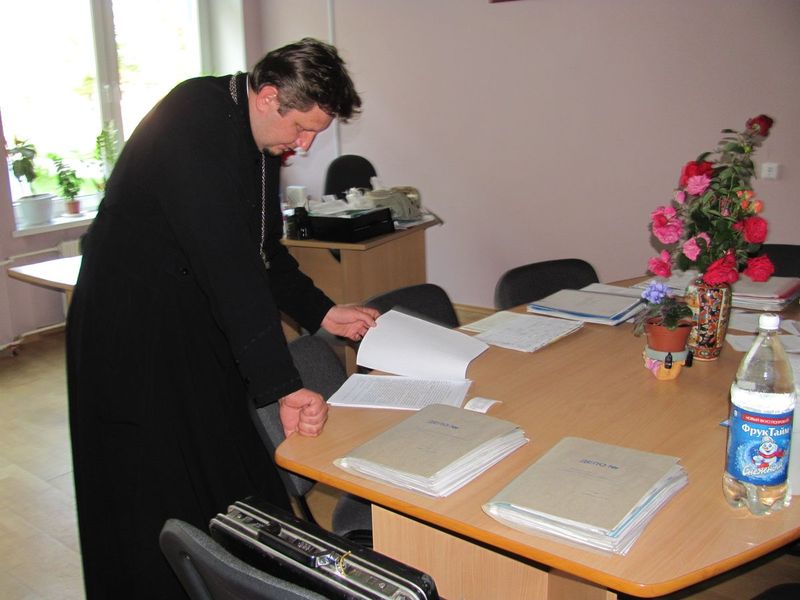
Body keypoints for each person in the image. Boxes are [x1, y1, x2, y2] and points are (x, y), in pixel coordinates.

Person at [66, 38, 379, 599]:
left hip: (193, 316)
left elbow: (264, 250)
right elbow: (231, 267)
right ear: (268, 96)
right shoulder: (193, 123)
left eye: (315, 133)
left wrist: (322, 311)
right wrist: (284, 386)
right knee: (151, 478)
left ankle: (235, 579)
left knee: (226, 461)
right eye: (301, 129)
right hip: (131, 333)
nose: (305, 146)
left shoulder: (258, 136)